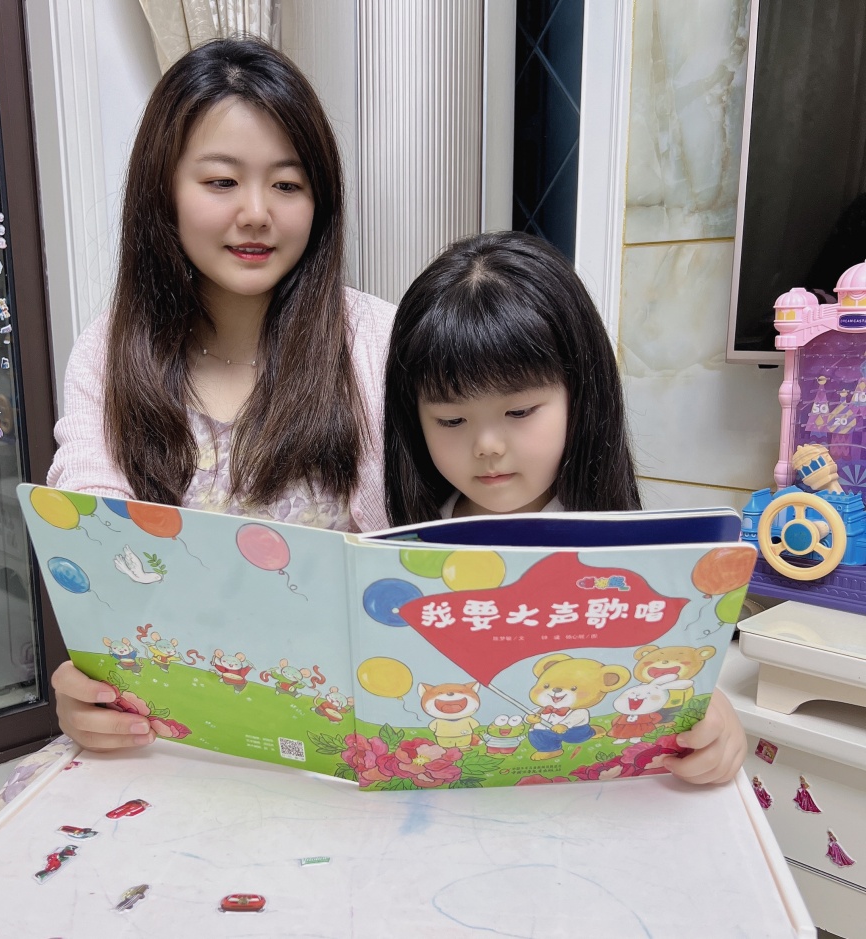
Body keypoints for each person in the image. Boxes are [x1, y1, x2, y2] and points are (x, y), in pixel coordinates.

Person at [47, 37, 394, 751]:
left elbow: (450, 535)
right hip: (174, 730)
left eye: (288, 185)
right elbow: (91, 540)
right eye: (222, 181)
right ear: (163, 191)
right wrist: (86, 694)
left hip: (351, 729)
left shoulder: (377, 340)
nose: (257, 212)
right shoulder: (110, 353)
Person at [383, 230, 748, 785]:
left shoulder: (630, 562)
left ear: (582, 396)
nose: (487, 446)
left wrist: (712, 717)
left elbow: (668, 669)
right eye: (451, 420)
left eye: (520, 411)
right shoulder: (403, 549)